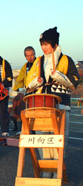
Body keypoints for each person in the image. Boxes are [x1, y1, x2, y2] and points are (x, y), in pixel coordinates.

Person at [26, 27, 80, 178]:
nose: (43, 47)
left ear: (55, 45)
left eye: (46, 44)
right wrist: (36, 83)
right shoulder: (38, 61)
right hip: (42, 104)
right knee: (43, 138)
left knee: (60, 139)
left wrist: (59, 76)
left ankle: (57, 172)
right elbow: (27, 83)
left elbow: (74, 82)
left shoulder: (66, 60)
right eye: (42, 44)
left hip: (61, 104)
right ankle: (46, 170)